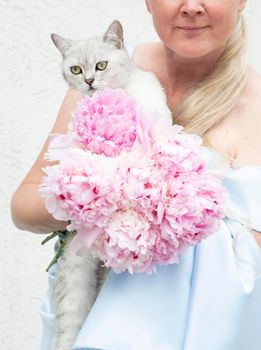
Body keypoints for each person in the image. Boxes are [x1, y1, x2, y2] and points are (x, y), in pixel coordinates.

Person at [11, 1, 261, 349]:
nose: (191, 7)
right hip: (85, 320)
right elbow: (23, 206)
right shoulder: (104, 72)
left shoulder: (257, 104)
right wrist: (97, 191)